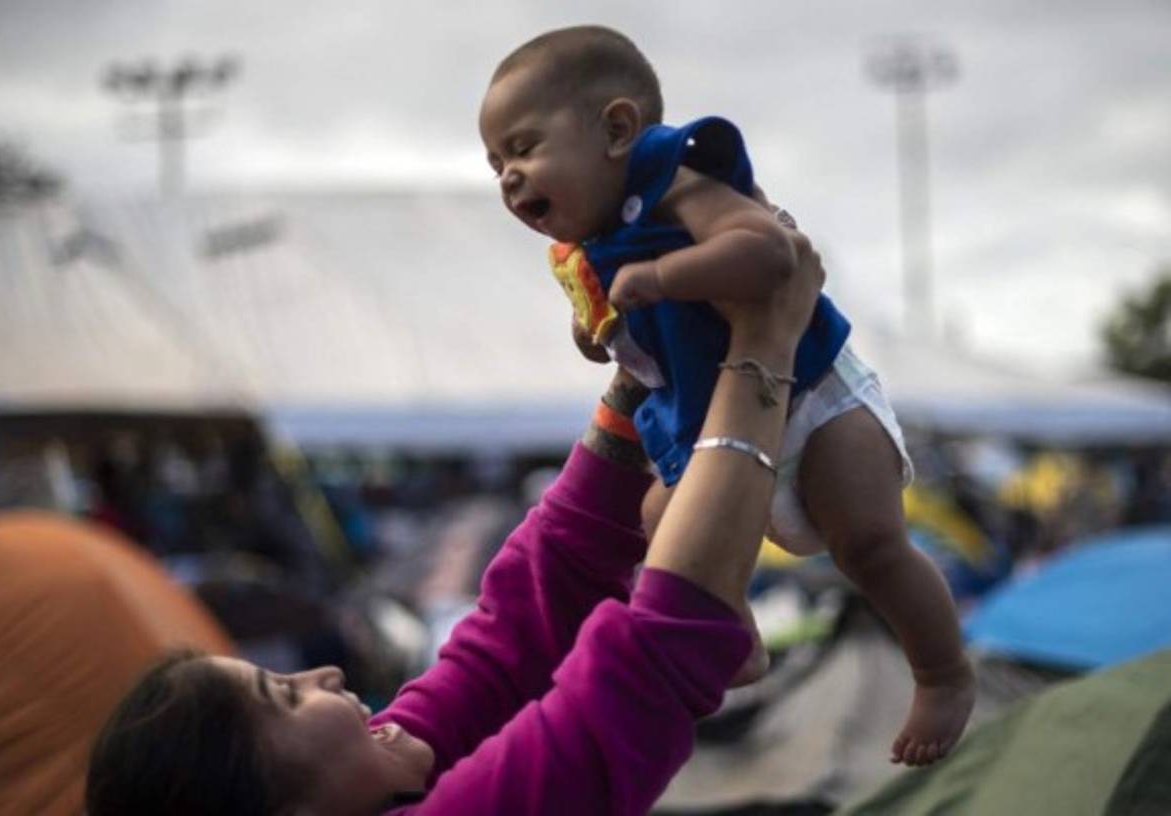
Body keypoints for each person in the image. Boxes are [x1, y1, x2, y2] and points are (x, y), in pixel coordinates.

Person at [87, 224, 825, 814]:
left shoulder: (380, 764)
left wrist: (642, 363)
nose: (326, 673)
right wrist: (764, 342)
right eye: (283, 697)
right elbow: (651, 662)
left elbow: (522, 621)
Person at [478, 24, 973, 765]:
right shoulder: (591, 247)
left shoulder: (677, 183)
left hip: (810, 397)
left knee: (869, 546)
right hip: (716, 428)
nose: (509, 179)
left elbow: (769, 253)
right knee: (657, 521)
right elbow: (620, 331)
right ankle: (730, 634)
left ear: (616, 130)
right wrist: (599, 329)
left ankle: (942, 673)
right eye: (494, 166)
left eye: (523, 149)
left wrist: (666, 278)